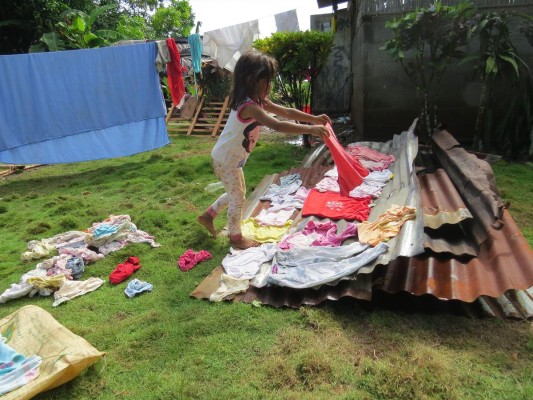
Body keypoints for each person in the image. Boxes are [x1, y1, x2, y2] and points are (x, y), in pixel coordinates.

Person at [197, 50, 331, 250]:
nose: (269, 85)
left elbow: (286, 112)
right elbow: (278, 125)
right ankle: (235, 238)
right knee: (238, 199)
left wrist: (314, 118)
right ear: (251, 79)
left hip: (230, 159)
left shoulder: (258, 101)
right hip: (225, 160)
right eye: (266, 80)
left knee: (237, 193)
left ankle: (208, 216)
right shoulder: (248, 106)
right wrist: (311, 129)